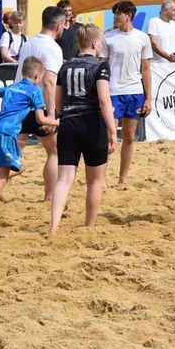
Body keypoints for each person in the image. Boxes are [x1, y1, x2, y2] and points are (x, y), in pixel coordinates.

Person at [0, 6, 65, 204]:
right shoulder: (54, 48)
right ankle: (48, 197)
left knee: (14, 150)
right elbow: (48, 82)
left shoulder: (28, 42)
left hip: (17, 105)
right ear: (59, 26)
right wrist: (50, 114)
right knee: (54, 152)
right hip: (36, 105)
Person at [0, 57, 59, 225]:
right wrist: (59, 121)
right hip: (8, 132)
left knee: (21, 164)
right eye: (41, 78)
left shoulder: (12, 87)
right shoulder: (35, 91)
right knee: (2, 177)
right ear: (37, 75)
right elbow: (41, 120)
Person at [49, 25, 118, 235]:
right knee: (95, 181)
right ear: (95, 43)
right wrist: (113, 130)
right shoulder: (100, 67)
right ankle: (88, 226)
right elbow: (104, 100)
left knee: (63, 179)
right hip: (92, 123)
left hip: (68, 122)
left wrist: (67, 114)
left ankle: (54, 225)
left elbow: (58, 103)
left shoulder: (65, 67)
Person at [101, 0, 153, 185]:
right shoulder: (108, 37)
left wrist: (148, 98)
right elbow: (102, 66)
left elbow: (146, 69)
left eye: (118, 13)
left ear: (128, 16)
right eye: (114, 13)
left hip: (134, 91)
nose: (114, 16)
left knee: (130, 137)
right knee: (109, 135)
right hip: (113, 91)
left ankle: (123, 179)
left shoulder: (142, 38)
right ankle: (102, 179)